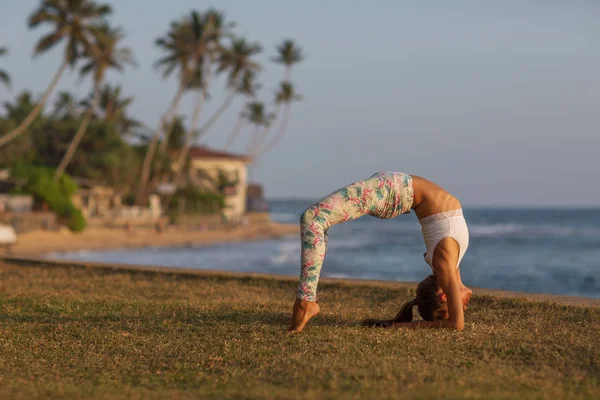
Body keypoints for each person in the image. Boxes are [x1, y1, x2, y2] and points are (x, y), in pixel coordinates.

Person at [288, 171, 473, 333]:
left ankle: (306, 301)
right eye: (462, 306)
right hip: (394, 188)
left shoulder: (444, 265)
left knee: (313, 219)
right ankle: (306, 301)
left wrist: (405, 325)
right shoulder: (449, 266)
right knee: (315, 219)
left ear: (443, 296)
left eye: (459, 306)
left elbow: (456, 324)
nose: (463, 306)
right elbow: (456, 322)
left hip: (392, 191)